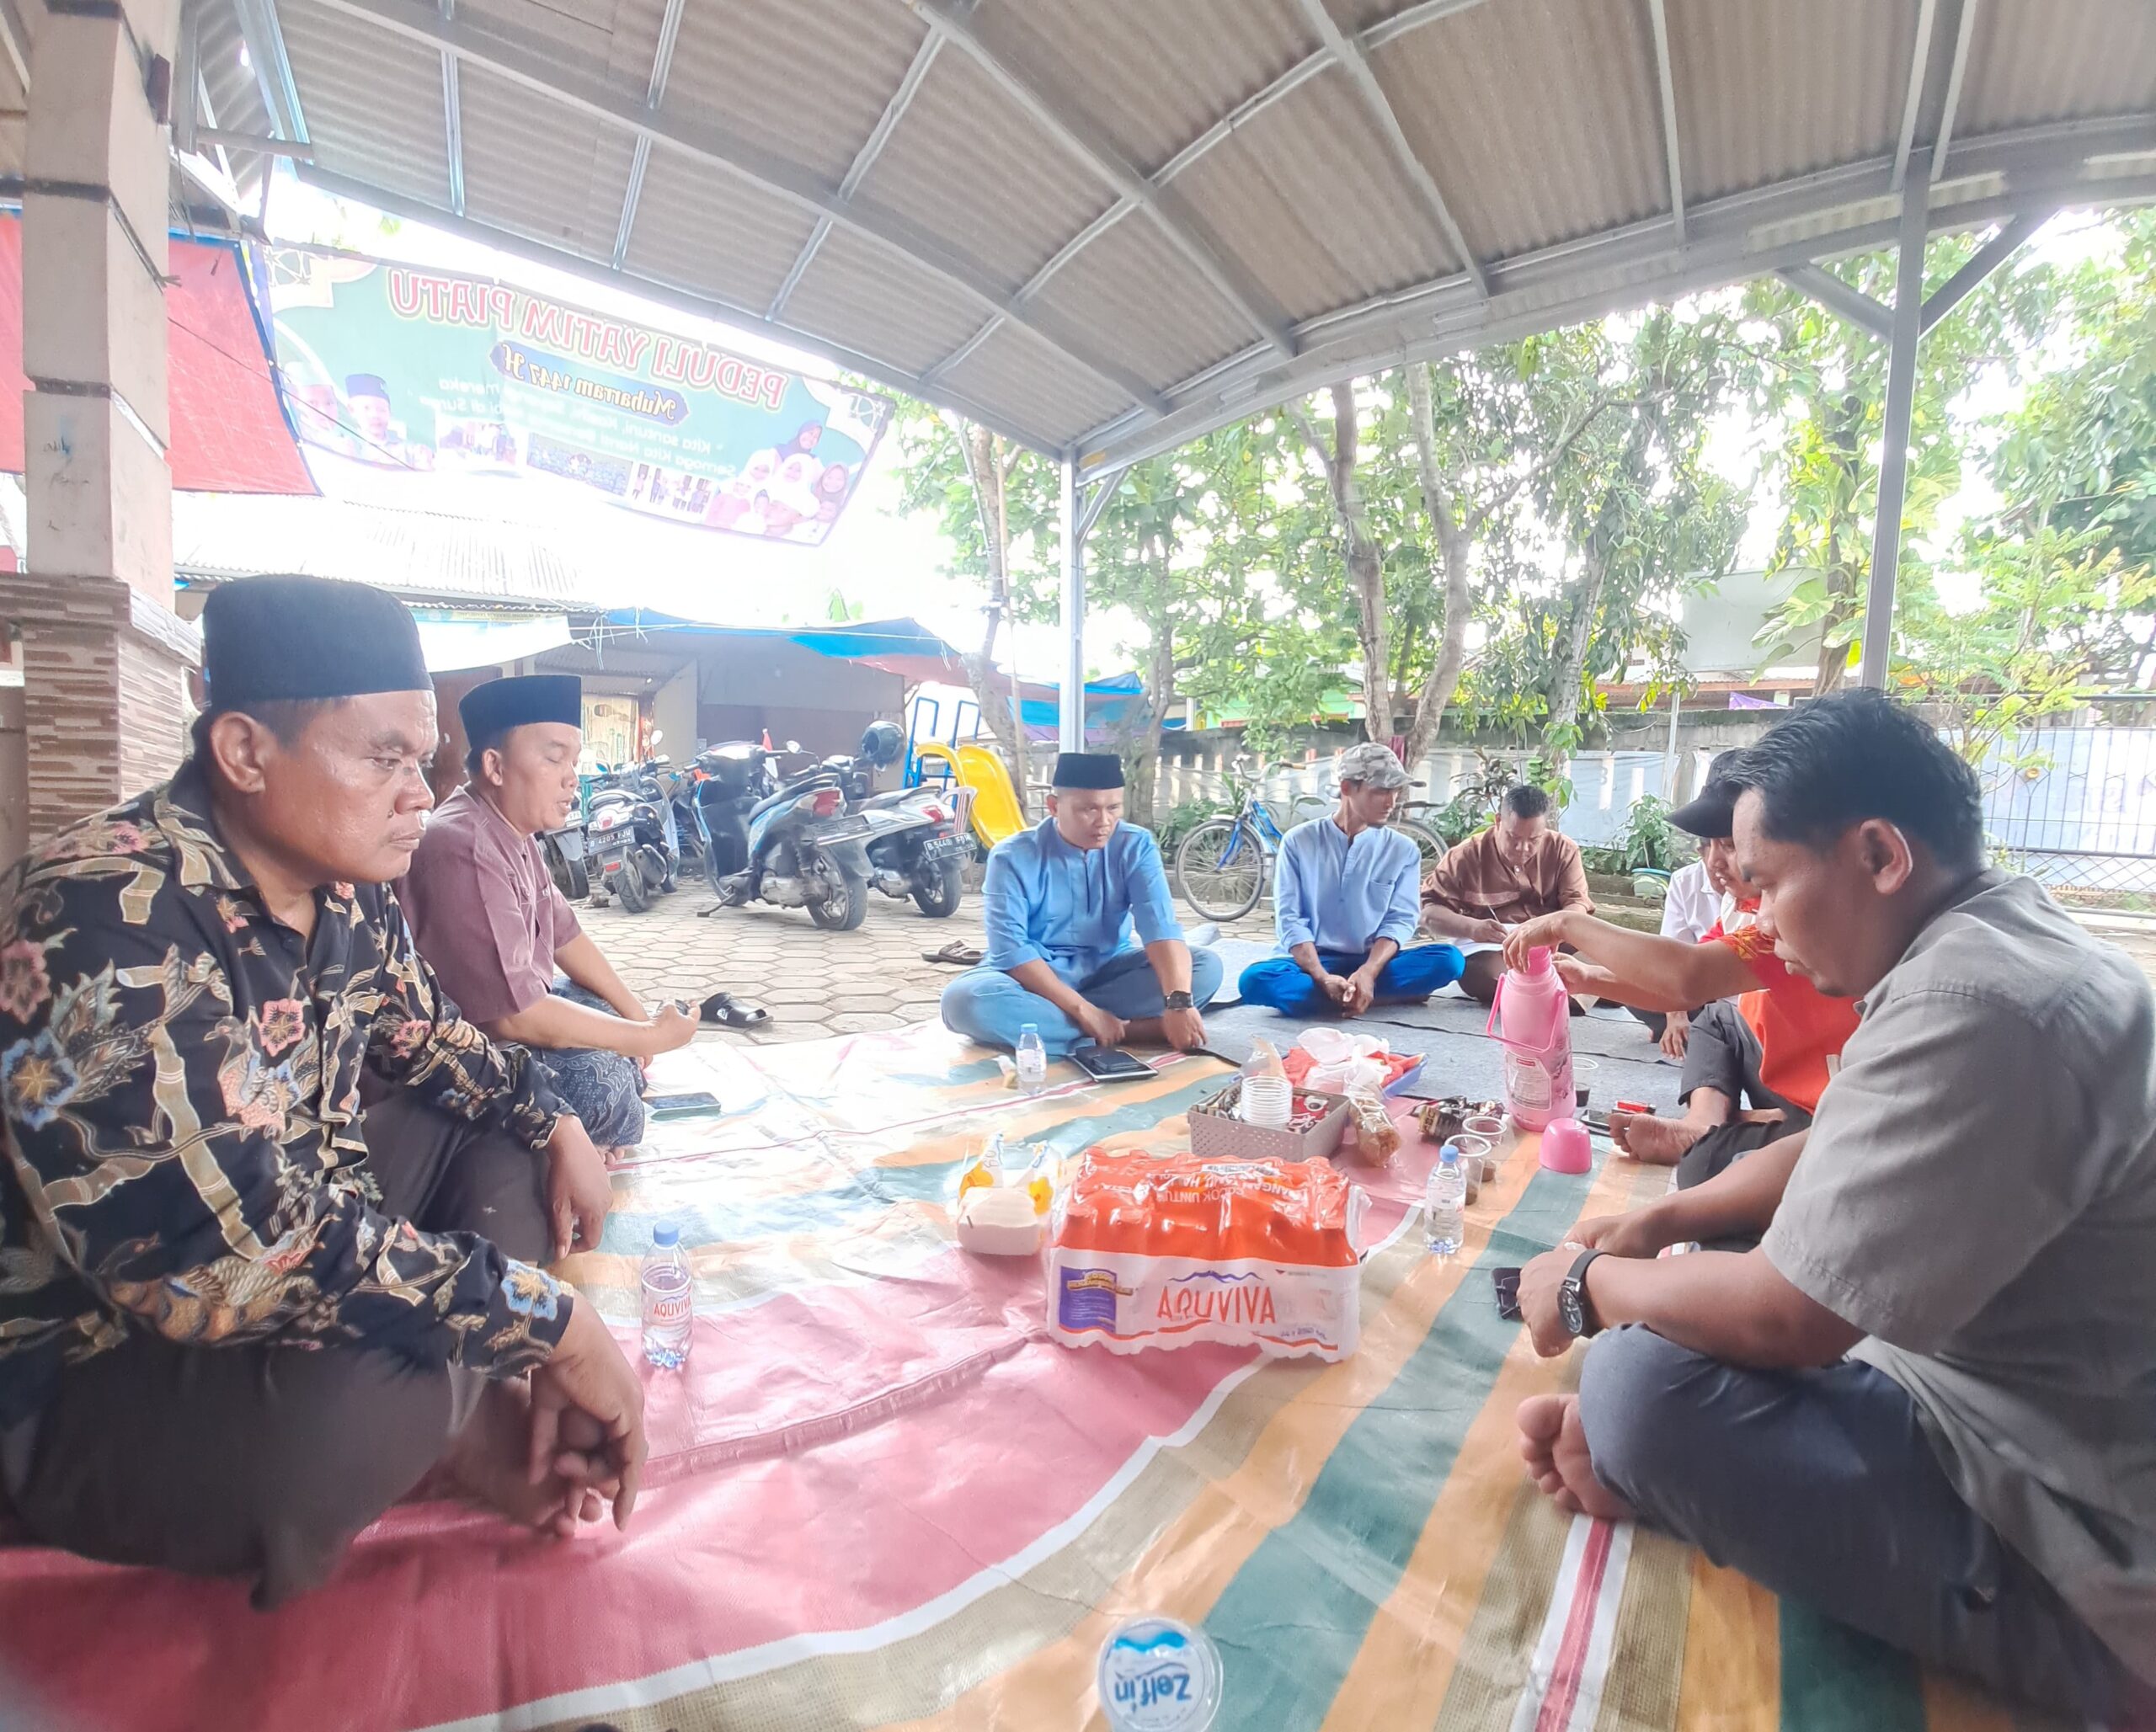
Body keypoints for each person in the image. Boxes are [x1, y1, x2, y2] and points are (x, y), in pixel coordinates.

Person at [0, 576, 647, 1610]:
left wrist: (556, 1117)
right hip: (94, 1360)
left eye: (422, 758)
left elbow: (432, 1040)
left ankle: (438, 1387)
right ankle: (457, 1415)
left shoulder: (348, 885)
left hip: (312, 1228)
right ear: (245, 751)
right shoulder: (100, 916)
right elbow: (229, 1256)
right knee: (312, 1449)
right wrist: (548, 1322)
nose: (419, 793)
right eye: (383, 758)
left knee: (513, 1142)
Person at [1512, 690, 2156, 1720]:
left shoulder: (1971, 1000)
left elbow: (1790, 1316)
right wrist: (1657, 1223)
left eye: (1767, 882)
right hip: (1989, 1382)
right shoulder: (1985, 941)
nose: (1759, 920)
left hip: (2066, 1508)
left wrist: (1587, 1282)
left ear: (1879, 855)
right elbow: (1832, 1140)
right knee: (1668, 1324)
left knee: (1639, 1379)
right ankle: (1654, 1455)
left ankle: (2074, 1647)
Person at [1504, 760, 1860, 1180]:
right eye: (1707, 846)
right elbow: (1682, 984)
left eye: (1729, 845)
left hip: (1830, 1105)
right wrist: (1590, 978)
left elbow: (1688, 975)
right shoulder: (1744, 907)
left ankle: (1741, 1129)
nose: (1715, 861)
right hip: (1779, 1067)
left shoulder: (1790, 919)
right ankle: (1705, 1122)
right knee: (1716, 1018)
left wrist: (1567, 924)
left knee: (1703, 1167)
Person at [398, 674, 698, 1158]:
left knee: (599, 1009)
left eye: (574, 761)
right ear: (495, 766)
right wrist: (648, 1038)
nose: (571, 778)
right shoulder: (462, 844)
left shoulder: (514, 833)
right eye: (554, 758)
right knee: (603, 1085)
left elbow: (565, 935)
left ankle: (595, 1130)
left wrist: (637, 1020)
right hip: (464, 1052)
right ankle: (575, 1144)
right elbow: (514, 1018)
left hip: (519, 1017)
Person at [941, 751, 1222, 1056]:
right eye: (1088, 809)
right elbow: (1011, 951)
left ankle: (1065, 1030)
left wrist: (1178, 1003)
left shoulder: (1136, 845)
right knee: (964, 1002)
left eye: (1113, 808)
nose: (1104, 822)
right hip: (1035, 980)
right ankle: (1126, 1030)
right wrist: (1083, 1010)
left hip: (1109, 970)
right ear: (1053, 806)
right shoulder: (1011, 856)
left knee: (1205, 967)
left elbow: (1160, 927)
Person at [1237, 742, 1467, 1016]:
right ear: (1347, 788)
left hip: (1374, 961)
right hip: (1312, 963)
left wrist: (1369, 971)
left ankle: (1345, 995)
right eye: (1380, 791)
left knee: (1449, 960)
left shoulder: (1403, 850)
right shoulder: (1299, 841)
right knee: (1254, 980)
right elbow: (1291, 920)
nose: (1391, 802)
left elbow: (1400, 920)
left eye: (1395, 791)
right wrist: (1322, 976)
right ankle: (1371, 997)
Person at [1420, 784, 1592, 1005]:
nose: (1523, 848)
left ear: (1545, 828)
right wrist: (1472, 928)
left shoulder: (1563, 850)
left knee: (1610, 957)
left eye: (1533, 840)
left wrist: (1554, 930)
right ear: (1498, 821)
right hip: (1495, 950)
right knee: (1480, 974)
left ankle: (1560, 990)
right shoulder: (1465, 856)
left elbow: (1577, 905)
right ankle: (1562, 994)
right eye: (1513, 838)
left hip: (1552, 945)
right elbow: (1429, 913)